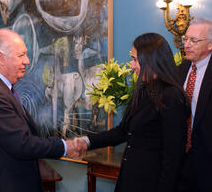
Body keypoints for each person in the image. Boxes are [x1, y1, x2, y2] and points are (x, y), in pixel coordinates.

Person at [0, 29, 79, 192]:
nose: (27, 61)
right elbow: (22, 144)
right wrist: (65, 146)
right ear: (1, 58)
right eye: (21, 55)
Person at [76, 33, 191, 192]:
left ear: (151, 60)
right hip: (130, 178)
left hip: (152, 183)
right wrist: (86, 141)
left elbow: (173, 157)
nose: (131, 65)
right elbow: (122, 132)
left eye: (135, 59)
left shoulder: (172, 96)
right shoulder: (144, 90)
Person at [178, 17, 212, 192]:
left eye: (194, 40)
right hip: (180, 160)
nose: (187, 45)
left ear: (210, 45)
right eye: (186, 39)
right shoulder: (182, 68)